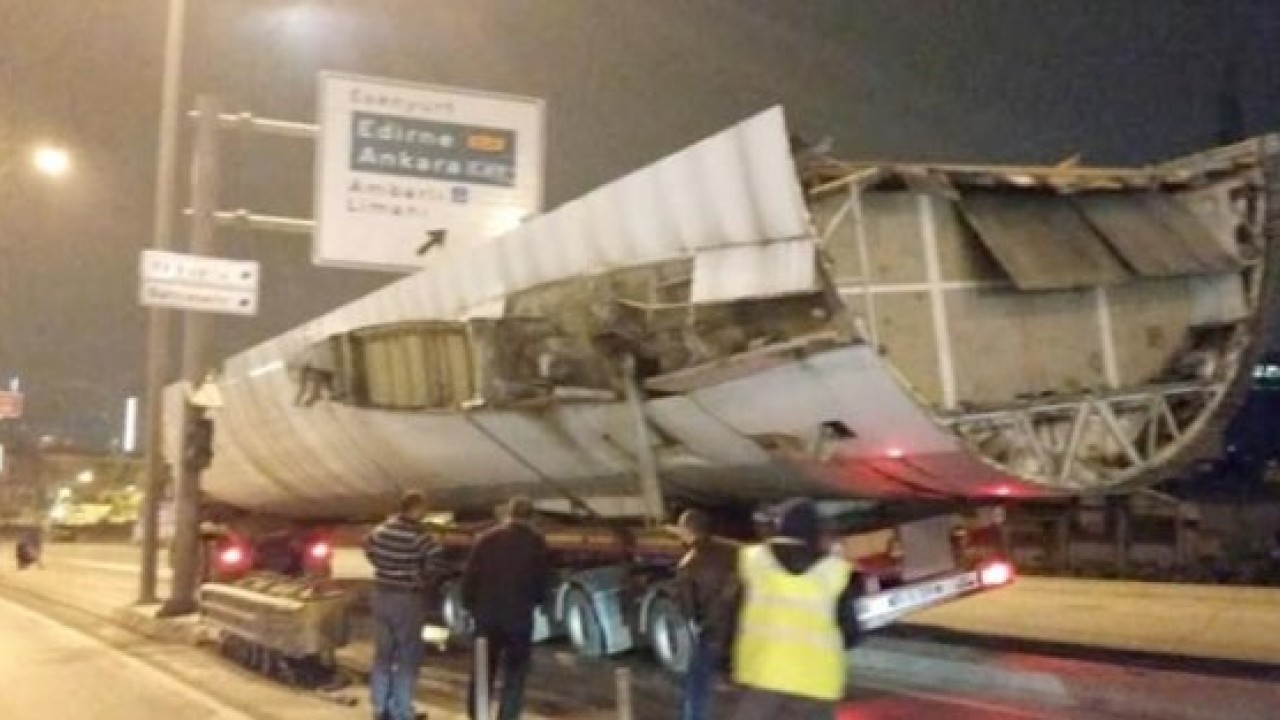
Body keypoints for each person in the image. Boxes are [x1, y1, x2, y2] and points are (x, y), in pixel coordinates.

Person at [727, 498, 861, 720]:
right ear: (814, 532)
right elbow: (851, 634)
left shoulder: (753, 563)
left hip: (762, 677)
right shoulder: (834, 572)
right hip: (816, 684)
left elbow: (731, 616)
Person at [461, 496, 551, 720]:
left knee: (483, 668)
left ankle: (477, 713)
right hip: (518, 617)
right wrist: (539, 602)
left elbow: (470, 576)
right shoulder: (536, 542)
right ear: (531, 517)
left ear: (509, 513)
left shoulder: (486, 539)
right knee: (515, 672)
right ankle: (508, 715)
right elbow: (542, 578)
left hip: (487, 616)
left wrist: (469, 605)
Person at [365, 491, 443, 720]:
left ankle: (380, 707)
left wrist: (385, 569)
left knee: (383, 653)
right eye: (424, 508)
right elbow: (435, 562)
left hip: (380, 595)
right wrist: (420, 579)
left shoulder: (380, 530)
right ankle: (402, 710)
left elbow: (369, 550)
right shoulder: (420, 535)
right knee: (408, 655)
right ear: (416, 508)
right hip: (406, 598)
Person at [673, 508, 739, 720]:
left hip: (711, 633)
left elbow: (687, 610)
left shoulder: (688, 565)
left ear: (688, 531)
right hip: (739, 629)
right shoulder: (733, 551)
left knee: (697, 685)